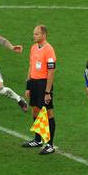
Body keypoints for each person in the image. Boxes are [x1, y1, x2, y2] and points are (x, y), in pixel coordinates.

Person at [22, 25, 57, 155]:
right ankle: (37, 140)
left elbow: (51, 72)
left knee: (48, 113)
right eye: (34, 33)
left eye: (36, 34)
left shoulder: (49, 50)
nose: (34, 36)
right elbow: (31, 66)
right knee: (35, 110)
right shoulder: (33, 48)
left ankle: (50, 144)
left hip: (44, 84)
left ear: (44, 35)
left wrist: (47, 92)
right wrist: (28, 85)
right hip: (34, 83)